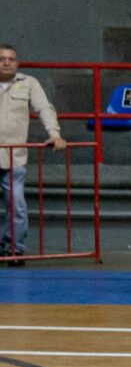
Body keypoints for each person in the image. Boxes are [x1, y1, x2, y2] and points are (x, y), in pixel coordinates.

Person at [0, 45, 66, 264]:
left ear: (17, 63)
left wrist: (54, 134)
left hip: (15, 158)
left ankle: (14, 250)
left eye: (11, 59)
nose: (6, 62)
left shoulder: (29, 83)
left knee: (16, 205)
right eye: (2, 59)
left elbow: (44, 108)